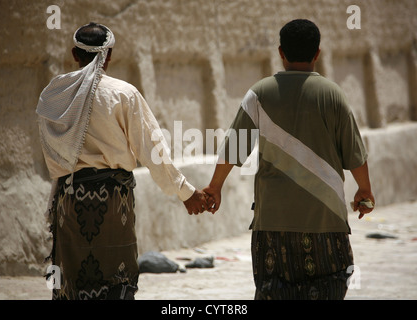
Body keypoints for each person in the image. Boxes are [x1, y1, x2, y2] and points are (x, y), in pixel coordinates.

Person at [203, 19, 375, 300]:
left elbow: (233, 149)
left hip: (273, 220)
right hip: (325, 219)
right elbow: (354, 154)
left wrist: (215, 187)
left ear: (281, 52)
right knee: (330, 285)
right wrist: (364, 189)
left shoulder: (258, 94)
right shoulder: (334, 96)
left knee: (274, 290)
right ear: (317, 53)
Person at [36, 22, 209, 300]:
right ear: (109, 55)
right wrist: (186, 193)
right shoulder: (123, 94)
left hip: (68, 201)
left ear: (74, 53)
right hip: (113, 203)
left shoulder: (55, 94)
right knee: (116, 281)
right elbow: (153, 151)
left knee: (73, 283)